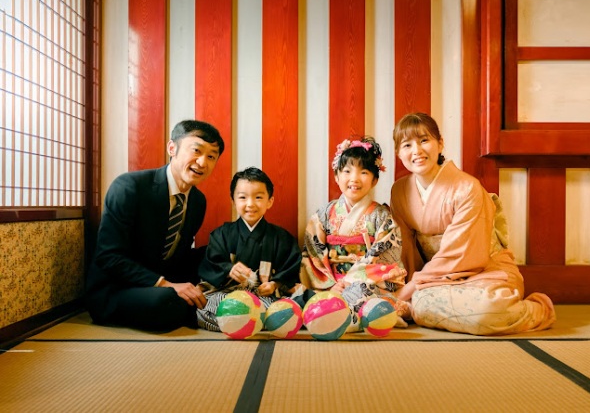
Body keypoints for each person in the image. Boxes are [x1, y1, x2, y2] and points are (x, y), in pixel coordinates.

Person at [390, 112, 556, 335]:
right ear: (398, 152)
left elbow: (460, 254)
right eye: (407, 145)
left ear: (440, 143)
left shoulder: (467, 188)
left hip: (484, 272)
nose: (417, 151)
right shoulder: (400, 191)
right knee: (420, 300)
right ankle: (418, 304)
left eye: (424, 140)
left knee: (486, 311)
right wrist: (407, 285)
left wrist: (410, 289)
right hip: (436, 280)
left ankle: (538, 309)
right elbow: (406, 248)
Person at [85, 120, 225, 331]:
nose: (202, 162)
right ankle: (203, 309)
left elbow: (179, 257)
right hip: (117, 288)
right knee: (164, 301)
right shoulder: (129, 187)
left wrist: (225, 257)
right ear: (172, 148)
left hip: (162, 280)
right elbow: (108, 256)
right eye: (196, 150)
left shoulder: (198, 201)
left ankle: (208, 304)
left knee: (219, 256)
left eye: (211, 157)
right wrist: (165, 284)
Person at [301, 137, 410, 331]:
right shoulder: (324, 215)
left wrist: (350, 281)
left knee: (362, 293)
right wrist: (331, 285)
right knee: (300, 295)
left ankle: (347, 315)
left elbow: (386, 255)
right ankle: (367, 316)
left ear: (375, 180)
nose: (355, 178)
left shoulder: (382, 216)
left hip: (368, 283)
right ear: (336, 176)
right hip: (332, 285)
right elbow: (313, 255)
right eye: (347, 171)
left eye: (364, 172)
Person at [196, 167, 302, 332]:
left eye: (258, 197)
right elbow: (211, 264)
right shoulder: (221, 234)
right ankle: (255, 323)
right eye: (243, 197)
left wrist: (274, 284)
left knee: (284, 308)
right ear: (233, 201)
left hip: (264, 297)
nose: (250, 204)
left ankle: (238, 323)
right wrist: (229, 269)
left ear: (270, 201)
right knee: (207, 306)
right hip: (228, 295)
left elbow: (290, 269)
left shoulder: (281, 237)